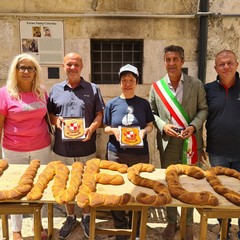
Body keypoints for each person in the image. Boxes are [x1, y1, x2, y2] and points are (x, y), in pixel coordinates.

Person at [149, 45, 208, 240]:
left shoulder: (196, 84)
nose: (171, 63)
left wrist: (194, 126)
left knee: (190, 184)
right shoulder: (157, 87)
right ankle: (172, 220)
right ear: (164, 62)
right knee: (170, 183)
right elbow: (152, 113)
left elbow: (203, 109)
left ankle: (188, 223)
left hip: (190, 141)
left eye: (175, 59)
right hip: (168, 144)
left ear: (182, 61)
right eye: (168, 60)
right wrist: (163, 126)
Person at [47, 52, 104, 239]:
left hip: (86, 148)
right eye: (69, 64)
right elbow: (49, 115)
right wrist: (56, 121)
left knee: (86, 184)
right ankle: (70, 216)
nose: (72, 68)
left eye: (76, 64)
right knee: (64, 184)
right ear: (64, 66)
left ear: (82, 66)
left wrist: (93, 127)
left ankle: (87, 216)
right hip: (62, 148)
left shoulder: (93, 88)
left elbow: (99, 114)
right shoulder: (55, 89)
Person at [0, 53, 51, 240]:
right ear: (15, 70)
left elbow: (48, 117)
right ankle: (16, 229)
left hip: (41, 147)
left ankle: (40, 223)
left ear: (36, 71)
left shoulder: (41, 91)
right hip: (14, 149)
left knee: (40, 186)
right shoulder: (4, 93)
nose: (26, 71)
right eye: (22, 67)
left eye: (31, 68)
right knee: (16, 189)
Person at [104, 64, 155, 240]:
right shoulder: (111, 104)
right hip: (116, 152)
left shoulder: (143, 103)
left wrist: (143, 132)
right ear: (120, 82)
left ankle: (135, 224)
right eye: (124, 80)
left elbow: (150, 125)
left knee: (138, 188)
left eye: (131, 80)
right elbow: (105, 127)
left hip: (140, 154)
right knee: (116, 188)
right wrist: (114, 131)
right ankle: (120, 225)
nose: (128, 83)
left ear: (136, 82)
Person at [205, 49, 240, 240]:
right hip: (217, 152)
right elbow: (202, 116)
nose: (226, 67)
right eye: (221, 64)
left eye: (229, 63)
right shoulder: (208, 89)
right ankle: (224, 230)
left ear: (236, 64)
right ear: (215, 68)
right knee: (220, 193)